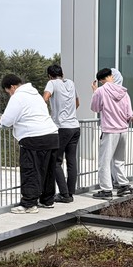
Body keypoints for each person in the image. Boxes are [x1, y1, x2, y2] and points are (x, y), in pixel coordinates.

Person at [0, 73, 59, 214]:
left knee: (30, 170)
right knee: (47, 170)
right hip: (52, 135)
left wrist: (1, 118)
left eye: (8, 91)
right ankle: (47, 200)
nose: (10, 94)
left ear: (12, 87)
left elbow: (7, 121)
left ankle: (29, 204)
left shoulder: (18, 97)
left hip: (33, 137)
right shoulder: (36, 94)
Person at [90, 67, 133, 198]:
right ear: (111, 76)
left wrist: (94, 91)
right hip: (123, 130)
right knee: (119, 160)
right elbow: (129, 113)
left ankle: (106, 190)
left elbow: (95, 108)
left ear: (101, 80)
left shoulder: (100, 91)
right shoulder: (124, 91)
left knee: (104, 161)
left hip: (109, 130)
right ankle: (124, 185)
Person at [42, 64, 79, 202]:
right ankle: (70, 192)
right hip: (75, 126)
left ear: (49, 75)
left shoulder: (51, 83)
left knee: (56, 161)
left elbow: (45, 98)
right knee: (71, 161)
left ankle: (64, 194)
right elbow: (77, 103)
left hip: (61, 127)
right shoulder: (70, 83)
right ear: (62, 74)